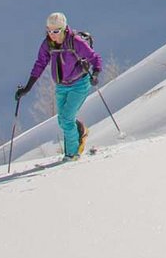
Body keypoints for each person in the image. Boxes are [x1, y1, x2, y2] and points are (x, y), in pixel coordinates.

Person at [15, 11, 102, 161]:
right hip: (61, 86)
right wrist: (27, 88)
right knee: (62, 120)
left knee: (66, 119)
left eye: (55, 31)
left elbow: (95, 58)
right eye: (48, 31)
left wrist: (95, 74)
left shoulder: (75, 42)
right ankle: (80, 131)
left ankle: (72, 154)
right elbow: (40, 64)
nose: (52, 34)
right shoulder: (48, 44)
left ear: (64, 28)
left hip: (79, 84)